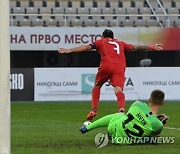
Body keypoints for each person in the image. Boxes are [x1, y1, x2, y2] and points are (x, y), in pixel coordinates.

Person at [58, 29, 163, 120]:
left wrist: (70, 50)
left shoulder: (101, 41)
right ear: (113, 37)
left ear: (103, 36)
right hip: (119, 67)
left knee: (97, 85)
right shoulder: (120, 43)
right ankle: (121, 110)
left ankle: (94, 110)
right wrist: (152, 47)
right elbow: (134, 47)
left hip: (106, 65)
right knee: (118, 90)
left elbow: (86, 47)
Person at [80, 89, 168, 145]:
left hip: (114, 128)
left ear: (149, 99)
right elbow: (154, 140)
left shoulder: (137, 104)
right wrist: (159, 124)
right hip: (122, 141)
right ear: (163, 102)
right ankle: (112, 136)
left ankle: (87, 127)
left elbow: (138, 117)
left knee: (120, 115)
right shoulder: (158, 125)